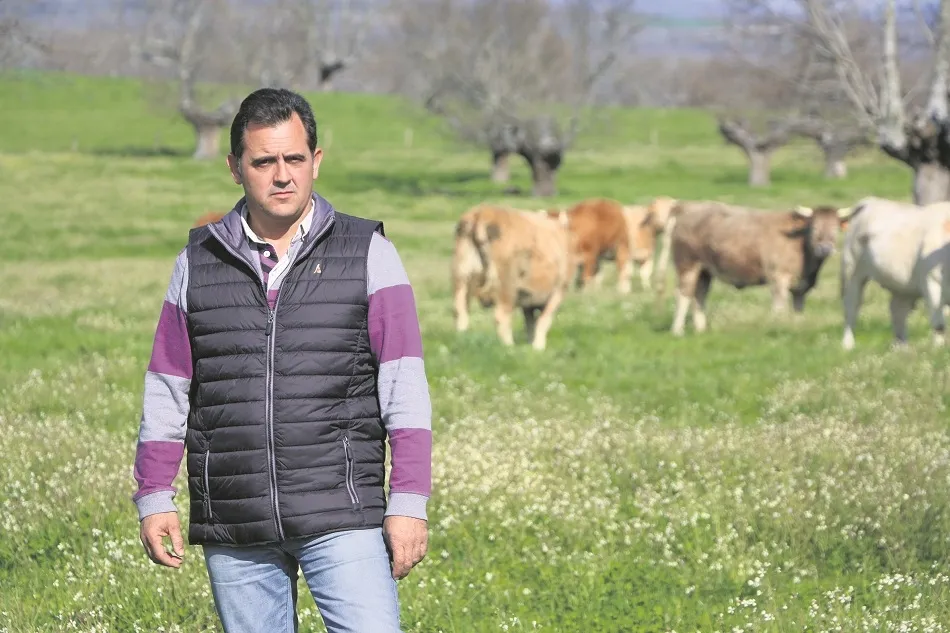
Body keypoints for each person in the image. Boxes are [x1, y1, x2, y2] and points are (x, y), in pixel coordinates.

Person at [131, 87, 432, 633]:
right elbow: (167, 387)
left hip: (342, 512)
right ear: (235, 168)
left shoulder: (368, 253)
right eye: (263, 161)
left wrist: (409, 502)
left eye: (295, 158)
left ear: (316, 161)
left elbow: (404, 385)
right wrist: (154, 496)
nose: (282, 175)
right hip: (237, 520)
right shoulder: (196, 264)